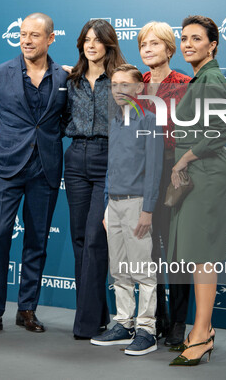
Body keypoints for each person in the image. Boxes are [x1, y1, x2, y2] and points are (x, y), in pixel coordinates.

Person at [0, 12, 68, 337]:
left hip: (45, 170)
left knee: (37, 241)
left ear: (50, 38)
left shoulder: (64, 77)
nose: (26, 40)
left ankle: (27, 309)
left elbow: (65, 120)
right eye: (23, 34)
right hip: (5, 170)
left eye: (34, 35)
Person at [168, 15, 226, 366]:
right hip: (197, 173)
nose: (188, 44)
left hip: (205, 174)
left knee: (204, 256)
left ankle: (201, 333)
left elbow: (223, 131)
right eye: (184, 38)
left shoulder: (212, 79)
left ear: (213, 45)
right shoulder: (201, 78)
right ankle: (202, 332)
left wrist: (184, 159)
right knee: (197, 255)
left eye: (196, 38)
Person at [90, 64, 163, 356]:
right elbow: (111, 167)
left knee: (142, 270)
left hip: (136, 204)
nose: (119, 90)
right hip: (115, 205)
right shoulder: (115, 121)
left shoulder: (150, 119)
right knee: (119, 269)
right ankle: (123, 323)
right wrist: (108, 204)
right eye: (114, 85)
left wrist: (148, 210)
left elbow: (155, 169)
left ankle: (147, 330)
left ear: (139, 89)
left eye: (125, 85)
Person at [64, 19, 126, 340]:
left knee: (94, 239)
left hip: (107, 158)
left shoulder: (120, 79)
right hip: (74, 159)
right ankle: (98, 314)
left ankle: (85, 324)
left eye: (97, 40)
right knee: (78, 240)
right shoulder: (70, 80)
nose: (91, 45)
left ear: (108, 45)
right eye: (86, 40)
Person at [137, 21, 192, 345]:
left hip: (174, 171)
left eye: (155, 44)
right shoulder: (136, 85)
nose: (148, 49)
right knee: (149, 250)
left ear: (170, 49)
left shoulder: (186, 84)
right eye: (144, 44)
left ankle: (179, 323)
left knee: (175, 250)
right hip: (144, 174)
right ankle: (157, 317)